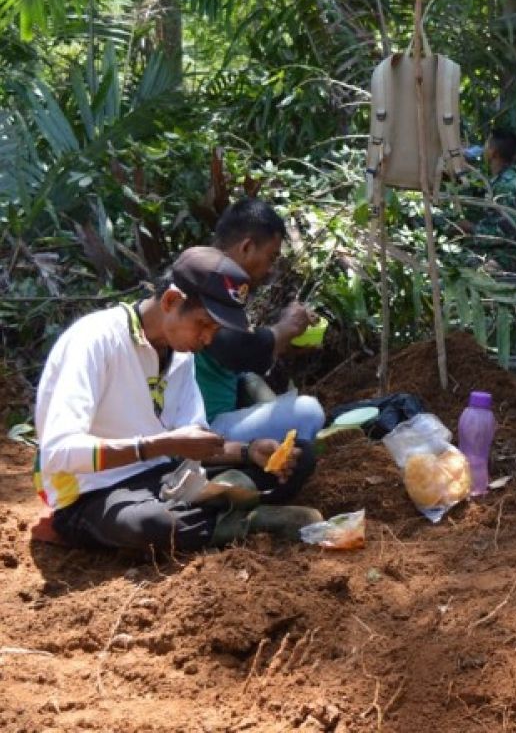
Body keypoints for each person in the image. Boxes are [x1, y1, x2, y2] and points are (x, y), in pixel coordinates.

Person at [34, 247, 321, 552]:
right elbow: (58, 452)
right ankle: (249, 519)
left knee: (301, 457)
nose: (208, 339)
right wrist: (159, 445)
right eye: (204, 324)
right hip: (92, 491)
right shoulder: (94, 340)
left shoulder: (181, 355)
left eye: (216, 329)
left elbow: (194, 442)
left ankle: (220, 512)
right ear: (171, 301)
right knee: (150, 524)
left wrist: (249, 452)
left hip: (164, 477)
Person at [195, 199, 326, 444]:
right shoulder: (206, 282)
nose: (270, 270)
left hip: (220, 417)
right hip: (201, 430)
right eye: (271, 257)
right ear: (246, 247)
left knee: (264, 389)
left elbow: (235, 359)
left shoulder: (222, 284)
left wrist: (284, 342)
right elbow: (233, 349)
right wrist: (285, 328)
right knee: (308, 411)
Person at [458, 128, 516, 271]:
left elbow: (503, 233)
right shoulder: (505, 177)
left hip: (504, 257)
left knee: (455, 267)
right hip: (496, 251)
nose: (482, 148)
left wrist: (470, 228)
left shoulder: (506, 185)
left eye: (486, 144)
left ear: (493, 152)